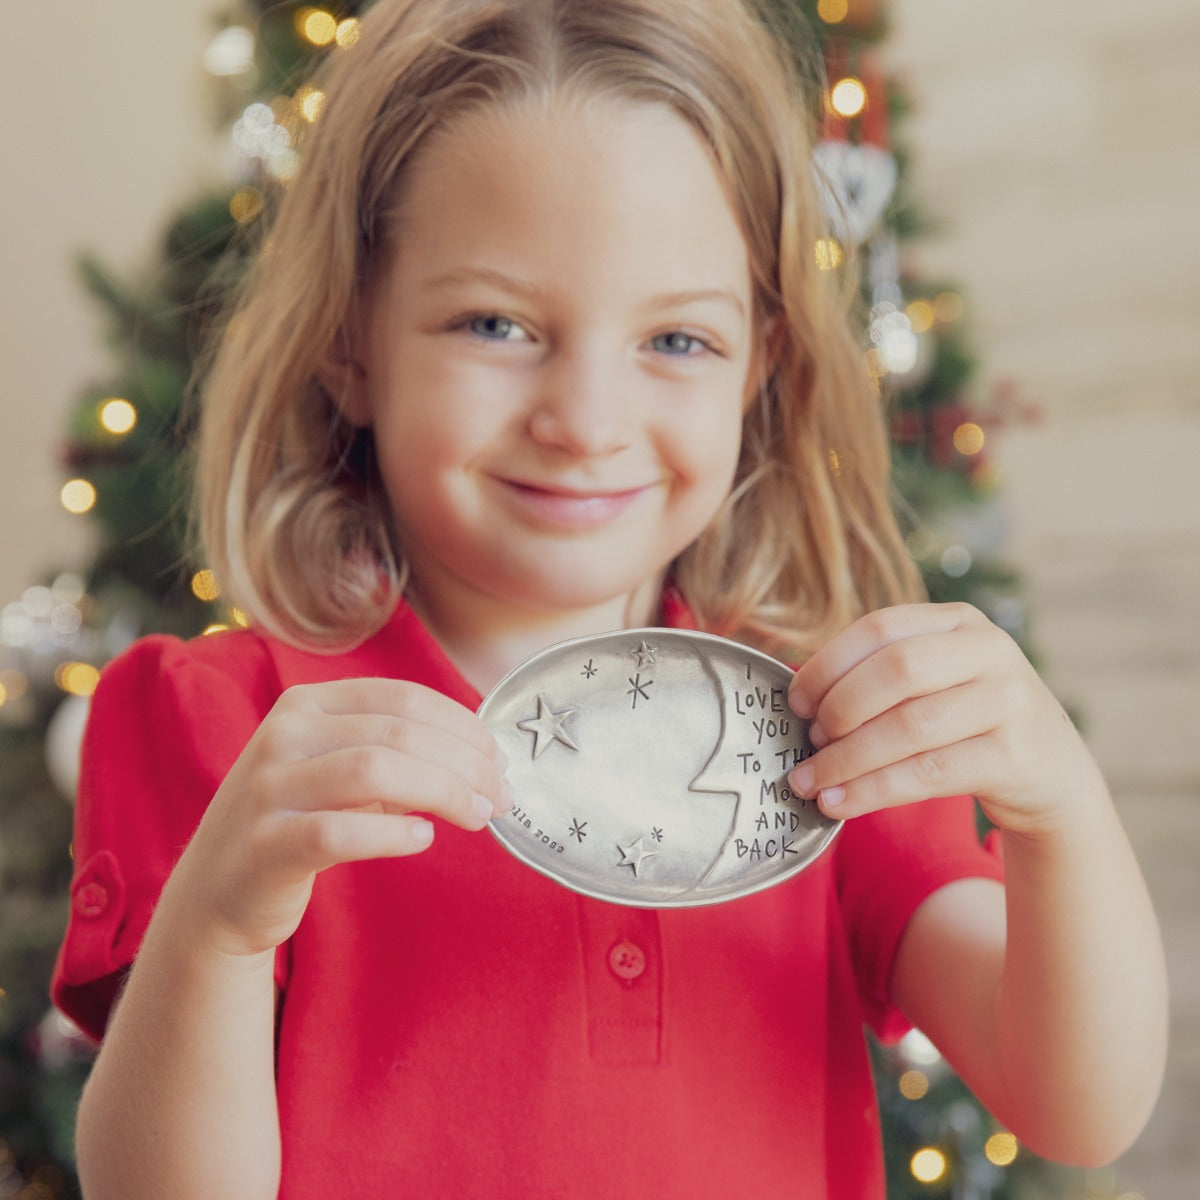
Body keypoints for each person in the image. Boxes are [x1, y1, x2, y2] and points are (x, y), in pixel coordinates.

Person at [52, 0, 1167, 1196]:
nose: (584, 422)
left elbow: (1078, 1106)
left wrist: (1059, 810)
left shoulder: (823, 745)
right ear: (351, 346)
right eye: (495, 324)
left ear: (762, 368)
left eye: (677, 341)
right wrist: (218, 928)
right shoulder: (229, 731)